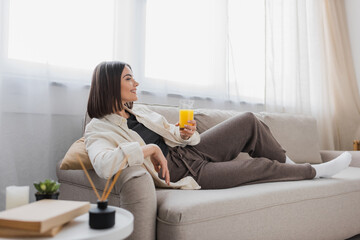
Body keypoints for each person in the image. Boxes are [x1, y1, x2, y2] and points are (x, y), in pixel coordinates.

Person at [85, 61, 352, 190]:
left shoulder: (139, 111)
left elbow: (173, 136)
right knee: (257, 166)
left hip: (189, 152)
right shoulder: (98, 128)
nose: (136, 84)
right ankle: (313, 173)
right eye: (129, 78)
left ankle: (294, 167)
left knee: (249, 120)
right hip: (181, 172)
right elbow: (103, 164)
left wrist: (183, 133)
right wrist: (147, 151)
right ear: (110, 84)